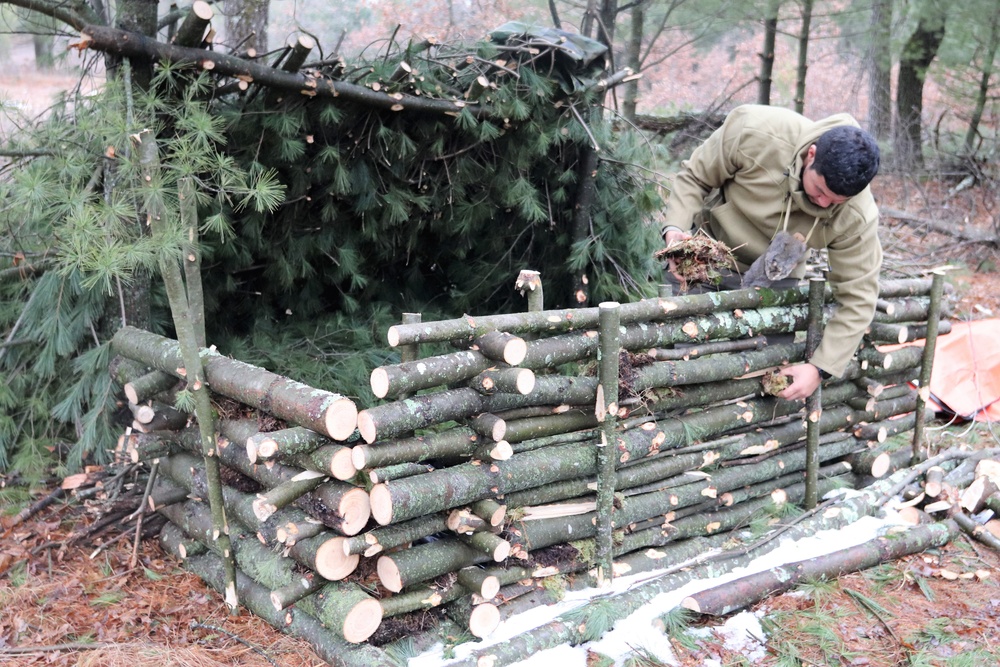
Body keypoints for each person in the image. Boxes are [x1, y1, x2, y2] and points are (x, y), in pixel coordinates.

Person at [661, 104, 882, 401]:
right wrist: (676, 232)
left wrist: (820, 368)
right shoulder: (755, 131)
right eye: (820, 190)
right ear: (811, 155)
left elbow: (859, 296)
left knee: (764, 386)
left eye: (836, 200)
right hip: (709, 259)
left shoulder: (857, 215)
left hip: (777, 281)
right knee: (684, 372)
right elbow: (695, 178)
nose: (825, 204)